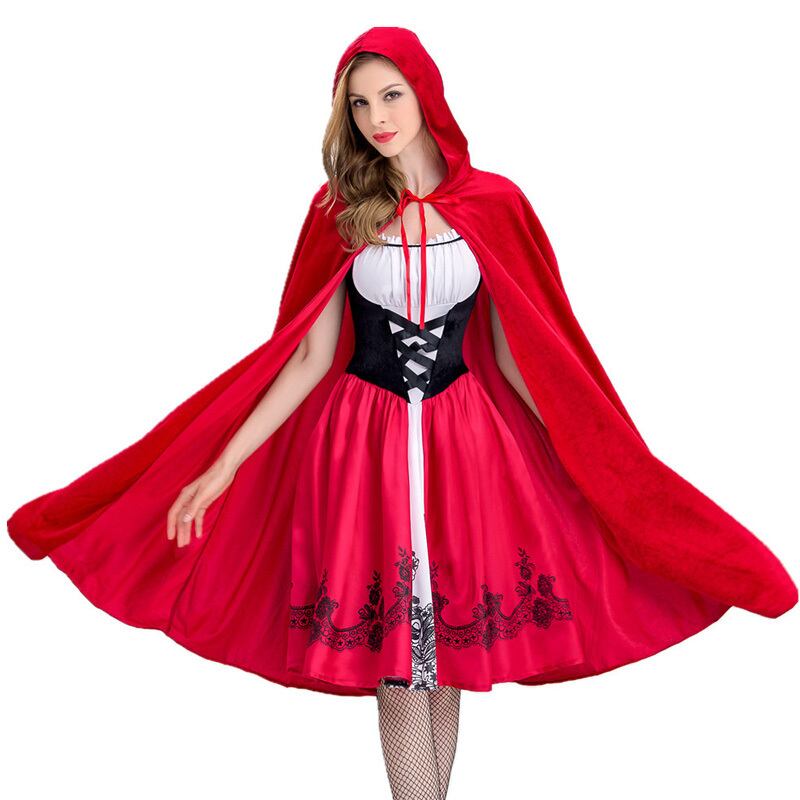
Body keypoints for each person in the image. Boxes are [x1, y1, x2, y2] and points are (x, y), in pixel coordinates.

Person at [8, 26, 796, 800]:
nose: (377, 117)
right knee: (399, 663)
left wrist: (592, 459)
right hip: (363, 444)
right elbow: (308, 357)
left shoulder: (496, 205)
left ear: (426, 94)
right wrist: (223, 465)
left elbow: (519, 353)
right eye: (359, 104)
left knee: (444, 657)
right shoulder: (339, 210)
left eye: (391, 95)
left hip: (466, 442)